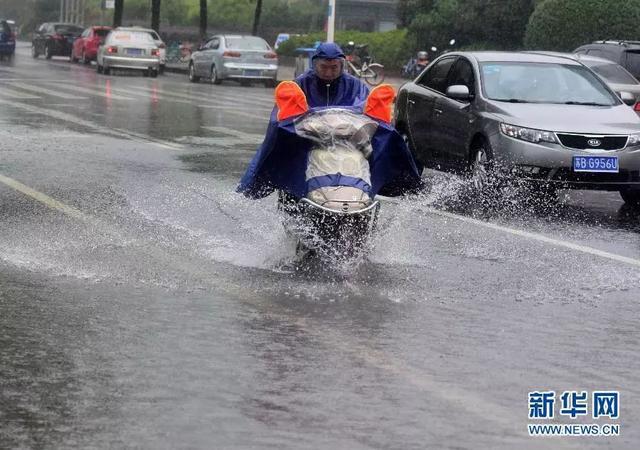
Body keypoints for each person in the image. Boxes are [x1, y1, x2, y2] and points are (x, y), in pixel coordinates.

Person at [295, 42, 369, 109]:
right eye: (323, 67)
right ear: (315, 65)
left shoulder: (355, 86)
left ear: (341, 66)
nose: (328, 74)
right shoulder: (302, 84)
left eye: (334, 67)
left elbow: (364, 110)